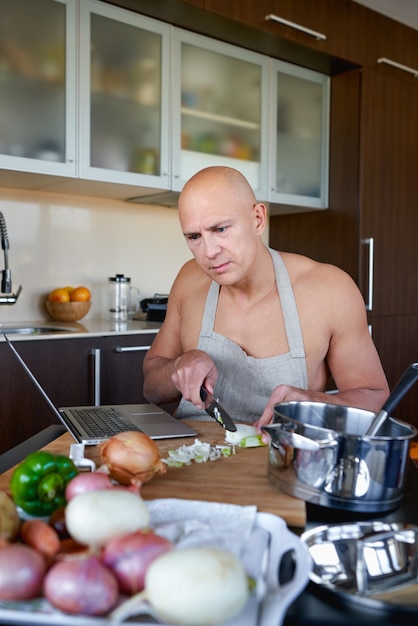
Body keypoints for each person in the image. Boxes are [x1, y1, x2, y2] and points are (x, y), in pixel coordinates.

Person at [143, 166, 389, 429]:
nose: (209, 252)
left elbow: (375, 397)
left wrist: (309, 402)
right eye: (194, 237)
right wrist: (178, 367)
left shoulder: (330, 289)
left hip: (284, 461)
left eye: (221, 229)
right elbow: (151, 388)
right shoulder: (189, 280)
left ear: (258, 219)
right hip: (195, 461)